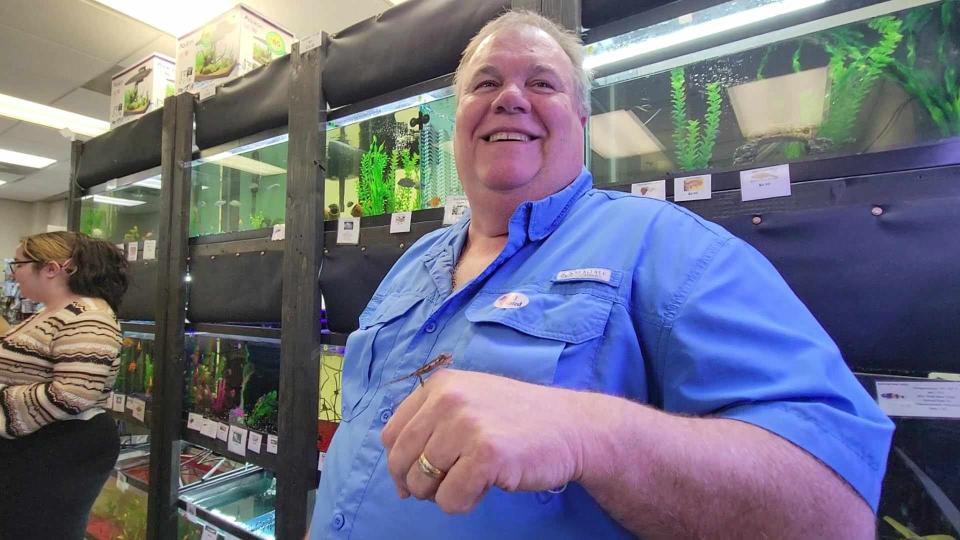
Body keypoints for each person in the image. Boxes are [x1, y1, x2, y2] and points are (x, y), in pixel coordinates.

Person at [309, 11, 893, 539]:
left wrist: (582, 430)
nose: (510, 97)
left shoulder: (670, 249)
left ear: (581, 120)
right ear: (455, 118)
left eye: (541, 83)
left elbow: (836, 511)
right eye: (486, 83)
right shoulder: (413, 263)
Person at [0, 231, 128, 540]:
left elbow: (73, 394)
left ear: (52, 268)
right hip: (38, 446)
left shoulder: (90, 317)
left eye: (18, 263)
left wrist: (4, 403)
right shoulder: (55, 312)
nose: (13, 272)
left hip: (59, 449)